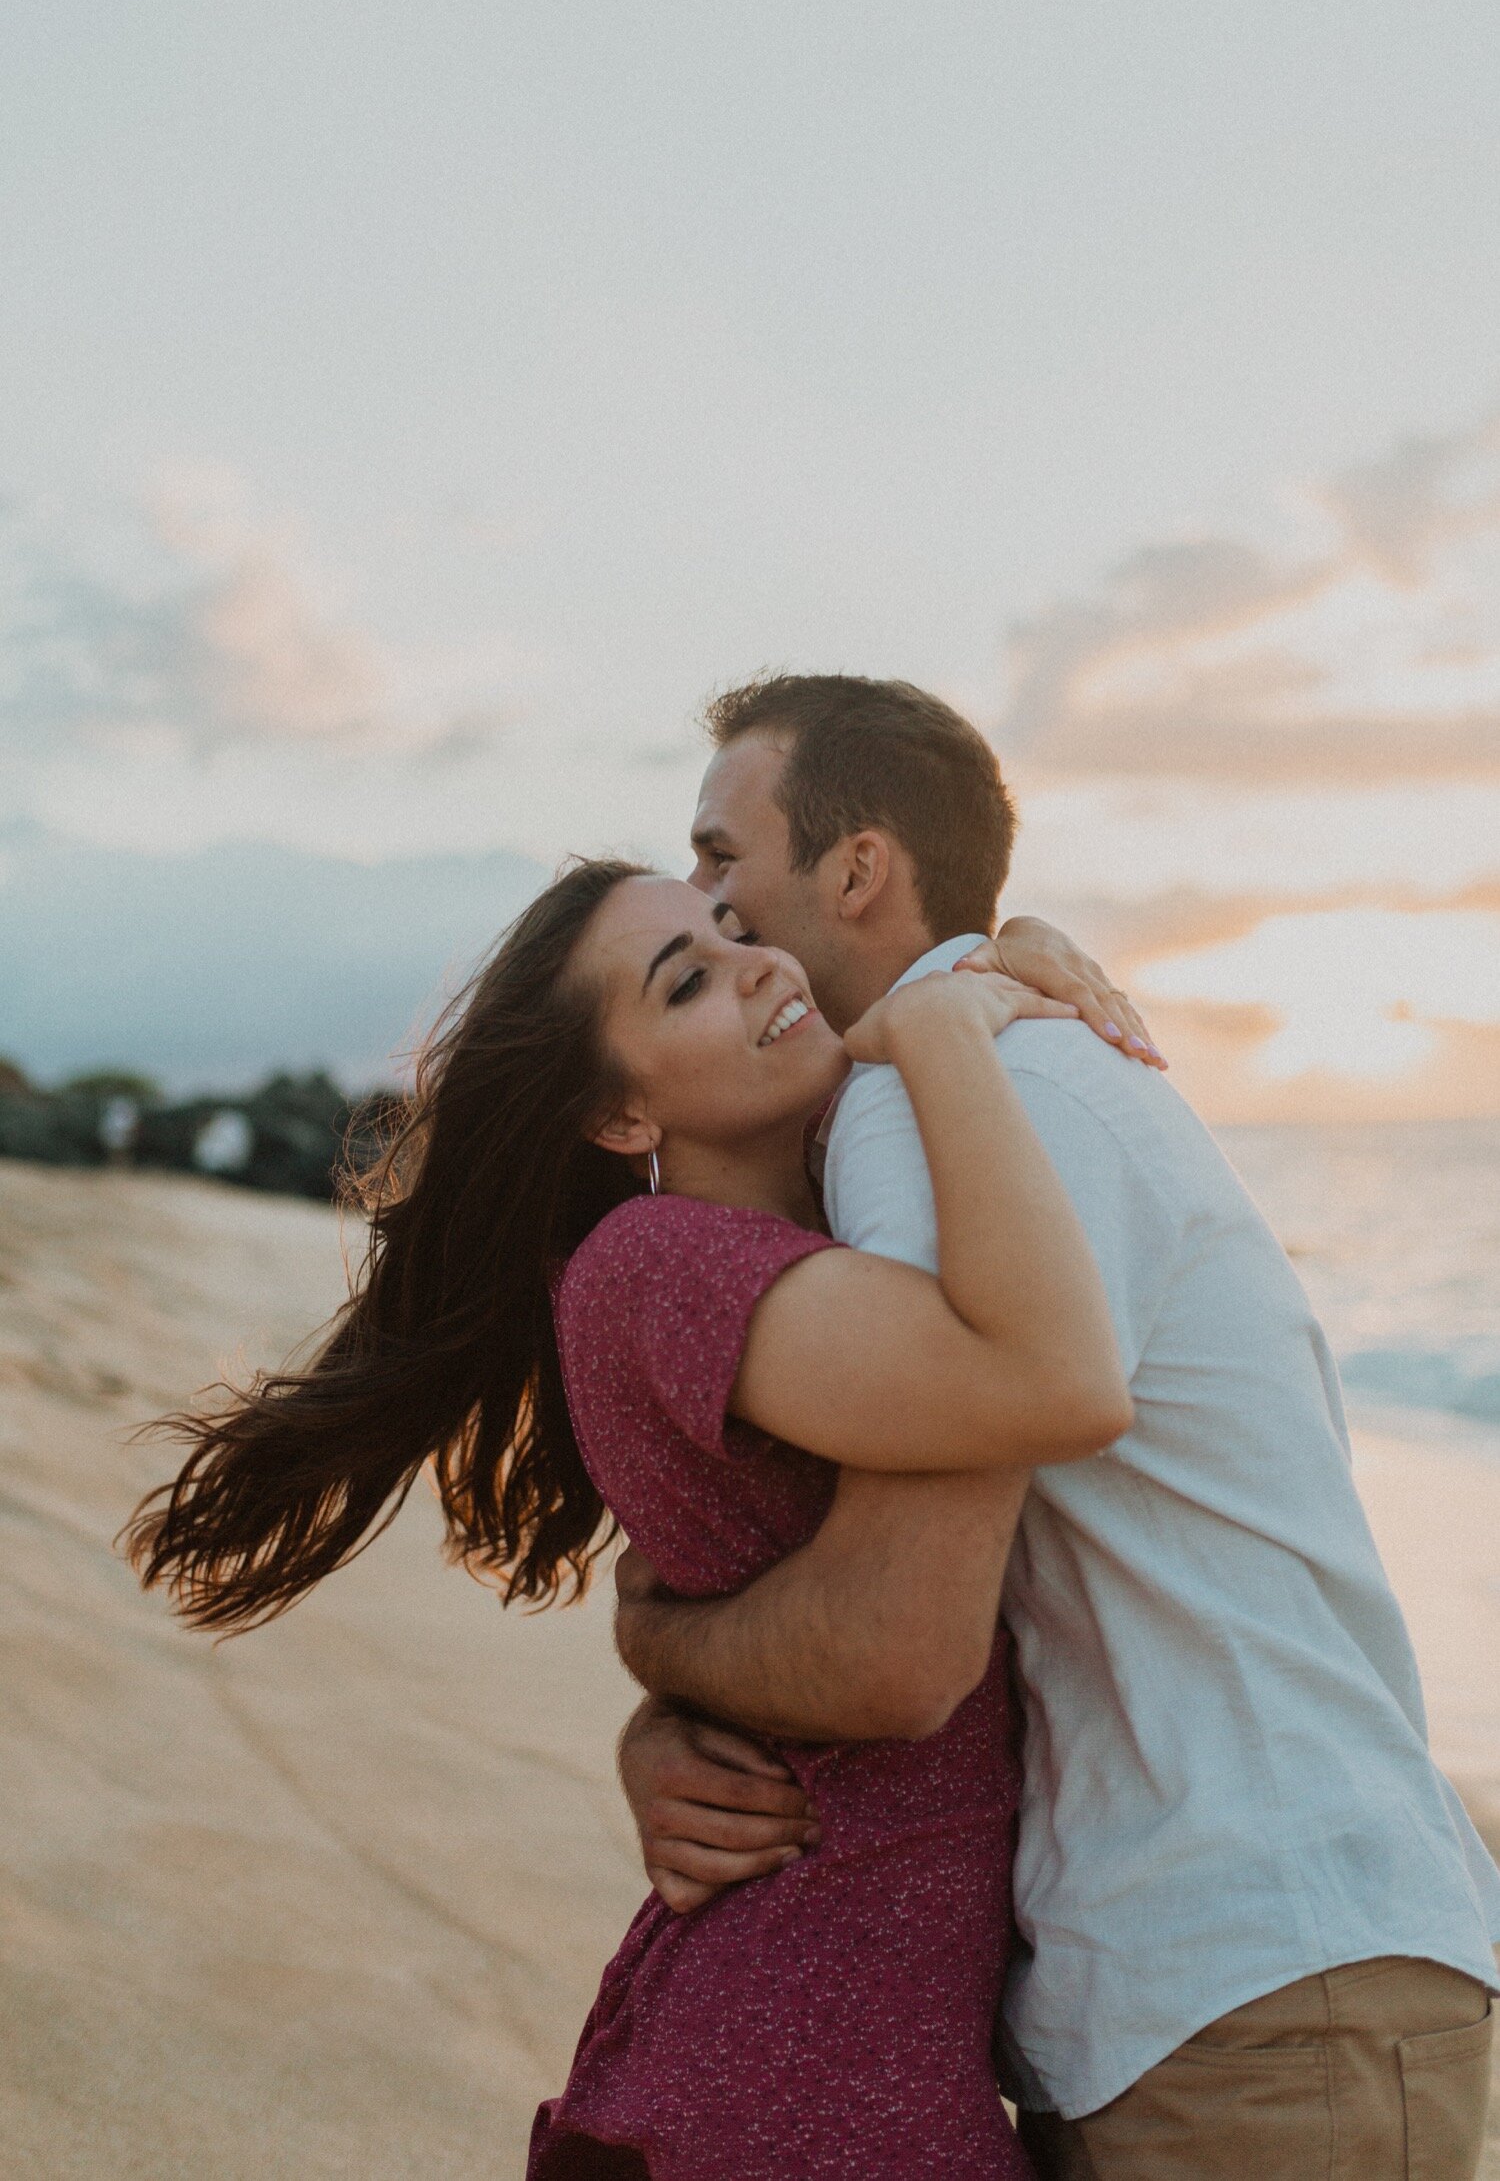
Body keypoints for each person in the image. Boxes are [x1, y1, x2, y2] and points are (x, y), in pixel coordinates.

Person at [122, 854, 1139, 2178]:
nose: (758, 962)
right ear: (616, 1111)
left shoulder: (778, 1260)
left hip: (828, 2051)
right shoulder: (658, 1265)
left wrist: (998, 961)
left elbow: (707, 1584)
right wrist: (952, 1019)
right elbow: (1055, 1377)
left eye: (731, 926)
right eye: (687, 982)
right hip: (808, 2075)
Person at [614, 672, 1500, 2181]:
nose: (706, 904)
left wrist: (661, 1651)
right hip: (1198, 1985)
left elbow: (899, 1632)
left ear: (857, 868)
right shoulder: (959, 1079)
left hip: (1258, 1987)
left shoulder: (941, 1103)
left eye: (720, 858)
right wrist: (666, 1717)